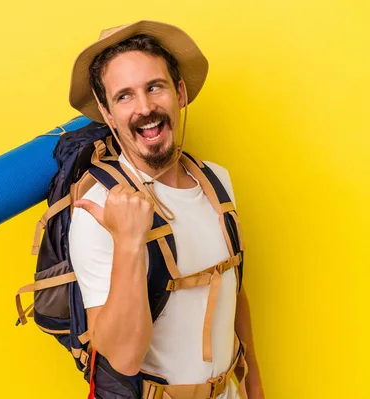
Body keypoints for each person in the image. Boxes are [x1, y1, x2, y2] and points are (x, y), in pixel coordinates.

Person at [67, 21, 264, 398]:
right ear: (108, 115)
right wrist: (128, 242)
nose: (144, 108)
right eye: (124, 96)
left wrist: (254, 383)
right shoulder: (97, 208)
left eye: (154, 87)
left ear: (179, 92)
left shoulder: (216, 182)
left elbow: (233, 291)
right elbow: (122, 358)